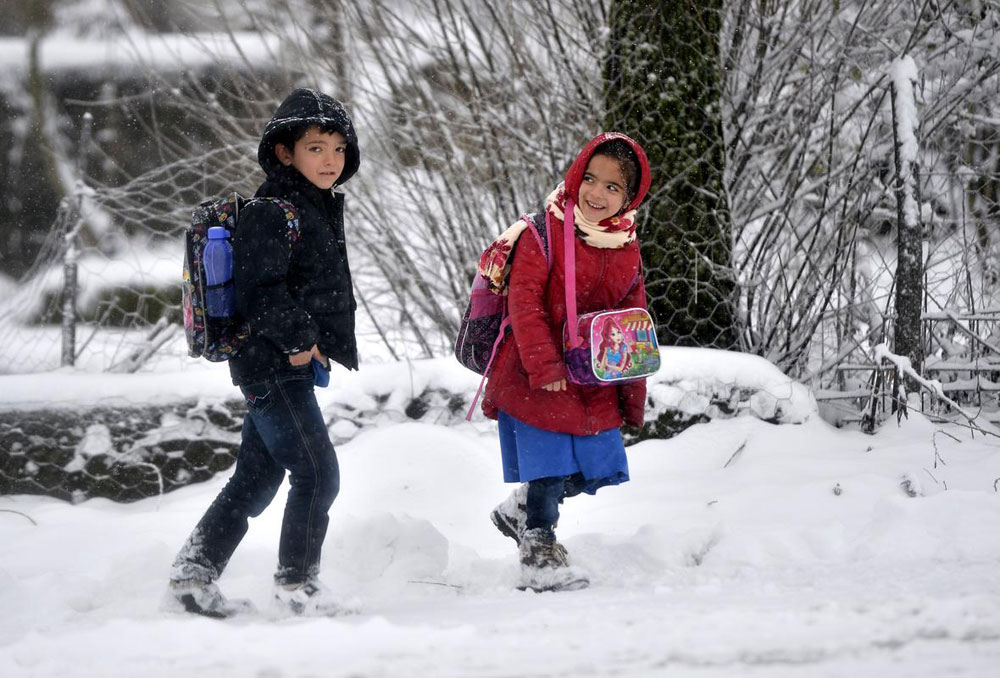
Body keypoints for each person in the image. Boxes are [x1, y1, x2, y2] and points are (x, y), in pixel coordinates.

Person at [168, 88, 361, 617]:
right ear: (284, 152)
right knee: (317, 474)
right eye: (316, 148)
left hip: (281, 365)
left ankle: (193, 574)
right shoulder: (273, 211)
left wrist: (313, 346)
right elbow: (260, 292)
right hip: (272, 365)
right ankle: (297, 585)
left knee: (257, 478)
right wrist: (301, 341)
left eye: (339, 148)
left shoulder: (311, 207)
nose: (331, 160)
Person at [481, 132, 652, 592]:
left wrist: (632, 390)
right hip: (538, 372)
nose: (597, 193)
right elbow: (525, 302)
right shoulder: (544, 233)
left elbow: (632, 320)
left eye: (612, 186)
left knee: (596, 466)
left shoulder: (626, 245)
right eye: (590, 178)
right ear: (576, 175)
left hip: (594, 376)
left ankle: (521, 509)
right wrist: (546, 365)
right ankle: (538, 547)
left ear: (629, 197)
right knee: (550, 463)